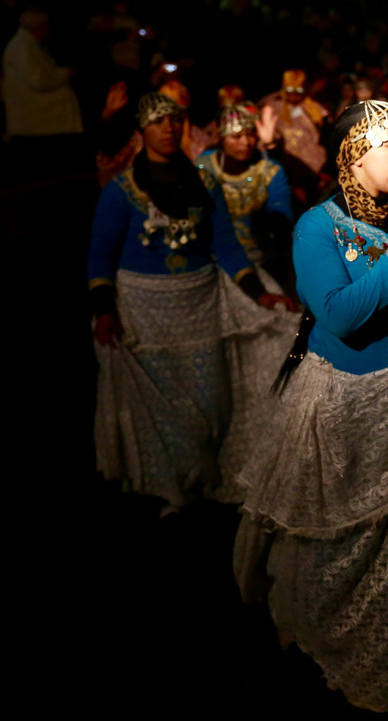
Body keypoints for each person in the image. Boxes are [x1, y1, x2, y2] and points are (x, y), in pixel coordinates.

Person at [234, 100, 388, 716]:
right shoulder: (317, 227)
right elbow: (340, 314)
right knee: (347, 539)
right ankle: (324, 633)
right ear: (352, 155)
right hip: (349, 405)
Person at [88, 93, 294, 512]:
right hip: (145, 311)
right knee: (165, 409)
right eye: (157, 122)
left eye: (174, 121)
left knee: (209, 402)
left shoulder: (203, 184)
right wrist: (104, 308)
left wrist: (259, 293)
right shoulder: (120, 192)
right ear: (141, 131)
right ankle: (174, 489)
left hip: (200, 305)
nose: (167, 129)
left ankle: (207, 476)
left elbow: (226, 246)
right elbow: (100, 256)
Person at [195, 101, 294, 290]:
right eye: (237, 136)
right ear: (222, 137)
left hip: (262, 258)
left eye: (250, 134)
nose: (246, 143)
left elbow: (282, 214)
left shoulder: (269, 170)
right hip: (213, 258)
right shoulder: (204, 167)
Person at [2, 7, 82, 141]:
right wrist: (64, 73)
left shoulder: (31, 46)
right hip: (34, 124)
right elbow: (39, 81)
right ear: (41, 27)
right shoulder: (22, 48)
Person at [260, 69, 330, 203]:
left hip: (312, 168)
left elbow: (326, 135)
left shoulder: (314, 108)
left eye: (297, 91)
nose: (293, 95)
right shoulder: (272, 104)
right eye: (289, 90)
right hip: (283, 162)